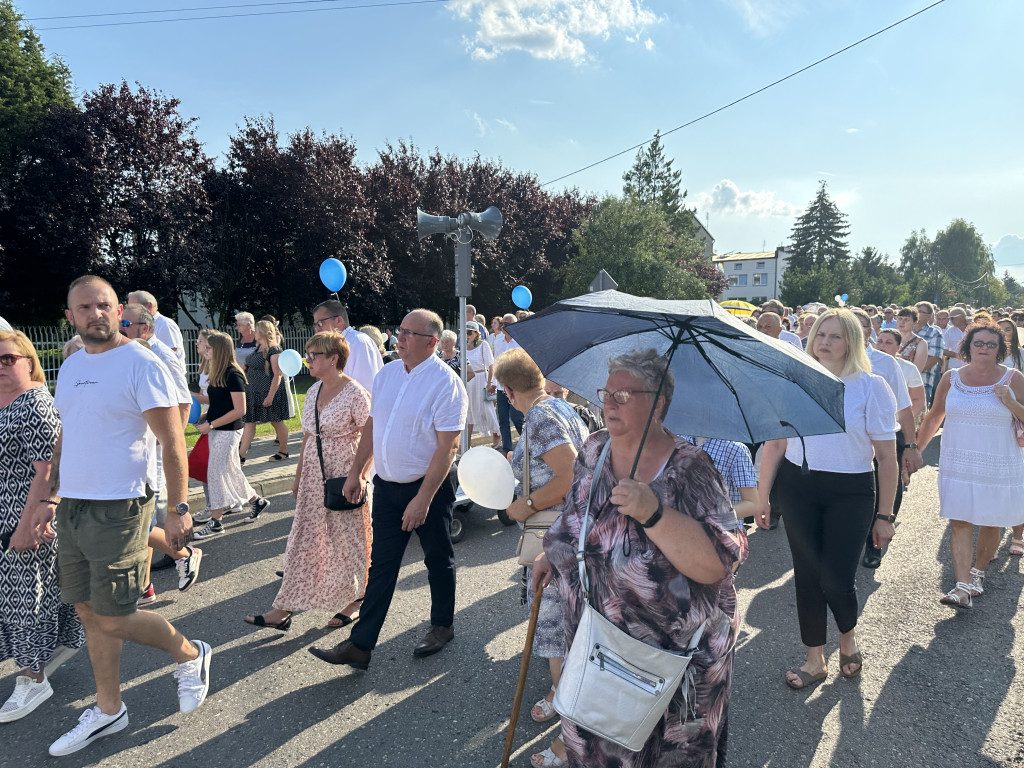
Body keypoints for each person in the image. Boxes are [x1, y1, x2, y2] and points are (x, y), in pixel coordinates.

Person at [13, 276, 211, 756]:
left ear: (120, 311)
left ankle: (191, 653)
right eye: (84, 308)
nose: (95, 314)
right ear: (71, 317)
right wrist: (47, 499)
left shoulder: (141, 364)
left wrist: (179, 507)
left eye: (104, 305)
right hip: (75, 506)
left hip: (122, 505)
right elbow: (68, 436)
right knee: (87, 611)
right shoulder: (74, 362)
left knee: (115, 615)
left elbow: (172, 441)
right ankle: (108, 709)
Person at [533, 348, 748, 767]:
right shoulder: (594, 450)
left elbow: (721, 563)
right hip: (597, 648)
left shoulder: (691, 468)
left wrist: (654, 513)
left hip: (670, 665)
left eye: (624, 395)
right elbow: (576, 514)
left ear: (659, 403)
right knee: (597, 748)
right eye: (606, 393)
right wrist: (554, 552)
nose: (608, 403)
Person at [309, 309, 467, 670]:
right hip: (387, 486)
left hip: (428, 489)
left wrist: (423, 500)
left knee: (438, 560)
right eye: (400, 330)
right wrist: (357, 473)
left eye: (409, 333)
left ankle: (442, 625)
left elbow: (448, 447)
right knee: (381, 565)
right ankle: (360, 645)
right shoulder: (388, 373)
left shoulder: (446, 383)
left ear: (431, 342)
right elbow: (373, 425)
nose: (400, 337)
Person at [757, 309, 897, 689]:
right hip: (798, 487)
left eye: (836, 336)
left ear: (851, 341)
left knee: (837, 577)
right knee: (807, 575)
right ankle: (814, 659)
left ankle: (847, 640)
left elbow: (886, 457)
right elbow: (774, 444)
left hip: (851, 490)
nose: (825, 342)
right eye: (821, 334)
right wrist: (761, 497)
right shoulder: (795, 381)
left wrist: (885, 515)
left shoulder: (871, 386)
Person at [494, 348, 588, 768]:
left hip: (557, 536)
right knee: (569, 624)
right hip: (575, 533)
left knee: (553, 627)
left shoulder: (539, 416)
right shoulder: (562, 407)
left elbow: (569, 477)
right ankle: (569, 705)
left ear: (509, 391)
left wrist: (525, 504)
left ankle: (567, 716)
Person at [244, 332, 371, 631]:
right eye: (308, 354)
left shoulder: (355, 393)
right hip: (314, 474)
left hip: (345, 474)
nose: (308, 359)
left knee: (348, 538)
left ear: (333, 358)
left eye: (314, 355)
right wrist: (299, 475)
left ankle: (358, 597)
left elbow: (371, 437)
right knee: (304, 538)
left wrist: (360, 476)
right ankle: (283, 608)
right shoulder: (313, 391)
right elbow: (308, 438)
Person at [0, 330, 85, 723]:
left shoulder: (35, 404)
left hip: (26, 516)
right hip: (5, 512)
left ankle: (34, 677)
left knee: (26, 599)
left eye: (8, 359)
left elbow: (48, 468)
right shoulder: (4, 402)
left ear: (29, 361)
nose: (2, 367)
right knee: (14, 597)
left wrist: (25, 523)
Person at [916, 321, 1024, 608]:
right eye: (979, 343)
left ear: (1001, 349)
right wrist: (916, 449)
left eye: (991, 344)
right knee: (960, 520)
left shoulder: (1013, 379)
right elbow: (935, 416)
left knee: (991, 521)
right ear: (968, 347)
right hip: (958, 462)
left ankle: (978, 574)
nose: (984, 349)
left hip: (998, 462)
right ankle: (961, 586)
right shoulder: (951, 378)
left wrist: (1012, 403)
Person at [119, 305, 203, 599]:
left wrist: (167, 442)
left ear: (144, 327)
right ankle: (144, 586)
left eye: (124, 322)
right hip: (134, 448)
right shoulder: (128, 352)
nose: (119, 327)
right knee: (135, 519)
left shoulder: (161, 356)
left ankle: (183, 553)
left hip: (154, 450)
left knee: (138, 520)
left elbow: (183, 404)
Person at [850, 308, 923, 569]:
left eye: (856, 326)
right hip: (852, 439)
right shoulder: (826, 360)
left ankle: (875, 541)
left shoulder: (885, 362)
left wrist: (911, 444)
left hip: (887, 435)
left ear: (869, 332)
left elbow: (904, 407)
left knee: (885, 486)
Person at [193, 332, 270, 538]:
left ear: (219, 349)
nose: (205, 351)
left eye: (208, 348)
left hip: (228, 432)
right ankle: (257, 501)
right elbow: (219, 402)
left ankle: (217, 521)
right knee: (231, 471)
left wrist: (211, 424)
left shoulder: (232, 373)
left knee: (215, 474)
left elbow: (240, 410)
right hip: (217, 428)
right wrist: (206, 415)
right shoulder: (218, 372)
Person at [239, 319, 290, 463]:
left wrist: (270, 396)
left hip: (268, 392)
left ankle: (283, 451)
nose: (254, 332)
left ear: (262, 332)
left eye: (256, 330)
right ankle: (241, 456)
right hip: (253, 392)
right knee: (249, 422)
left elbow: (277, 374)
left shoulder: (274, 350)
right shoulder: (258, 348)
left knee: (276, 421)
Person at [311, 300, 383, 394]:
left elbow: (365, 390)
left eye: (320, 323)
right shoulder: (333, 345)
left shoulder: (358, 342)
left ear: (339, 320)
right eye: (315, 325)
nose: (317, 329)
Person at [997, 318, 1024, 557]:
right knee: (994, 485)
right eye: (1001, 330)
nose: (1004, 334)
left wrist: (1014, 402)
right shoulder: (989, 355)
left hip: (1017, 416)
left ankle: (1018, 535)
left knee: (1016, 484)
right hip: (993, 420)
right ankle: (991, 537)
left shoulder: (1020, 356)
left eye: (1008, 330)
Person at [876, 330, 927, 430]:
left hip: (898, 426)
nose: (882, 346)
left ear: (898, 347)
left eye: (888, 343)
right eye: (879, 341)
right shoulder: (866, 366)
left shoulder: (909, 368)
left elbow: (918, 400)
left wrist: (898, 421)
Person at [491, 313, 524, 454]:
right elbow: (495, 362)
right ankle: (507, 449)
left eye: (507, 324)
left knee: (516, 417)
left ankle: (526, 443)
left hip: (516, 386)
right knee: (503, 419)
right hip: (501, 386)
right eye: (503, 324)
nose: (503, 326)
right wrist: (493, 382)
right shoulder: (498, 342)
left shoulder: (520, 342)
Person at [464, 321, 500, 447]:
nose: (466, 335)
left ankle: (497, 434)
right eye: (465, 332)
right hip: (468, 380)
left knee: (487, 409)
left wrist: (490, 383)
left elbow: (491, 366)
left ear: (476, 333)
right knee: (468, 411)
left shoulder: (483, 345)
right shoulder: (464, 348)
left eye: (469, 332)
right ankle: (467, 443)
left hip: (481, 380)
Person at [127, 290, 184, 364]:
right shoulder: (139, 324)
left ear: (149, 306)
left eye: (134, 307)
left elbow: (171, 355)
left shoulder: (165, 324)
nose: (130, 311)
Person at [914, 301, 945, 404]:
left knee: (919, 418)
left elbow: (934, 358)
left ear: (929, 316)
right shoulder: (905, 331)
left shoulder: (934, 333)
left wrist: (911, 372)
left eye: (920, 311)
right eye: (915, 311)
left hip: (922, 382)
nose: (916, 313)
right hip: (901, 382)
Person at [895, 307, 929, 373]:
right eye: (900, 318)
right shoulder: (889, 337)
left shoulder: (920, 343)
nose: (902, 322)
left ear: (914, 322)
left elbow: (916, 371)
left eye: (907, 320)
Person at [942, 308, 968, 372]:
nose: (950, 320)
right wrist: (956, 355)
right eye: (949, 318)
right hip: (955, 368)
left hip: (972, 367)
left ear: (961, 317)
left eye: (952, 318)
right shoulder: (949, 332)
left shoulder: (974, 329)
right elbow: (943, 350)